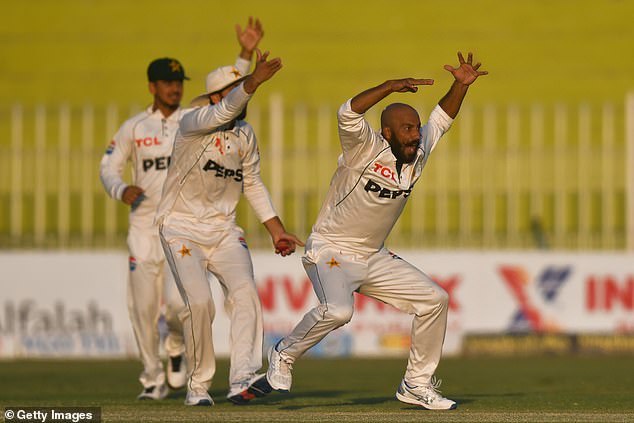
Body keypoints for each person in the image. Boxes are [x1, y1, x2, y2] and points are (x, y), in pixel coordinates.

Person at [265, 52, 488, 410]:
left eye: (416, 128)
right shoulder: (364, 148)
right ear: (387, 133)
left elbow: (441, 118)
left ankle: (415, 384)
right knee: (338, 311)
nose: (416, 135)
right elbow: (347, 113)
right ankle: (284, 354)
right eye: (407, 129)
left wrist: (460, 85)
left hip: (373, 255)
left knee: (435, 300)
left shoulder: (418, 150)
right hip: (331, 250)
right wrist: (388, 87)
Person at [99, 18, 265, 400]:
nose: (175, 88)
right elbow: (108, 166)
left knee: (181, 304)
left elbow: (228, 97)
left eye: (179, 82)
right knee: (141, 308)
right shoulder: (135, 127)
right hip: (145, 226)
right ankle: (152, 378)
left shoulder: (194, 121)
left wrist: (243, 56)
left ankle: (175, 346)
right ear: (152, 87)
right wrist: (121, 188)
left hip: (183, 226)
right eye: (168, 82)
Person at [156, 48, 303, 406]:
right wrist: (252, 79)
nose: (245, 95)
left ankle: (241, 379)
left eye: (245, 88)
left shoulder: (245, 135)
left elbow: (251, 182)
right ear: (216, 97)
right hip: (180, 227)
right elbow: (224, 110)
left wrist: (276, 230)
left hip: (223, 231)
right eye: (236, 89)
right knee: (201, 303)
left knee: (246, 295)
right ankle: (198, 385)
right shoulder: (193, 121)